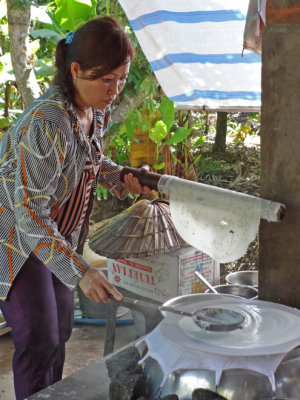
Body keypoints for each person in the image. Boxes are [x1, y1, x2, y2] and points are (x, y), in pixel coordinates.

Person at [0, 16, 150, 400]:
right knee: (39, 335)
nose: (115, 89)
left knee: (62, 328)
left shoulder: (94, 111)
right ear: (76, 69)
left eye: (121, 78)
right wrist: (80, 271)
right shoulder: (47, 121)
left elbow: (91, 165)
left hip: (56, 236)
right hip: (16, 238)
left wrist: (128, 180)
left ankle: (50, 394)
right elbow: (29, 213)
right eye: (106, 79)